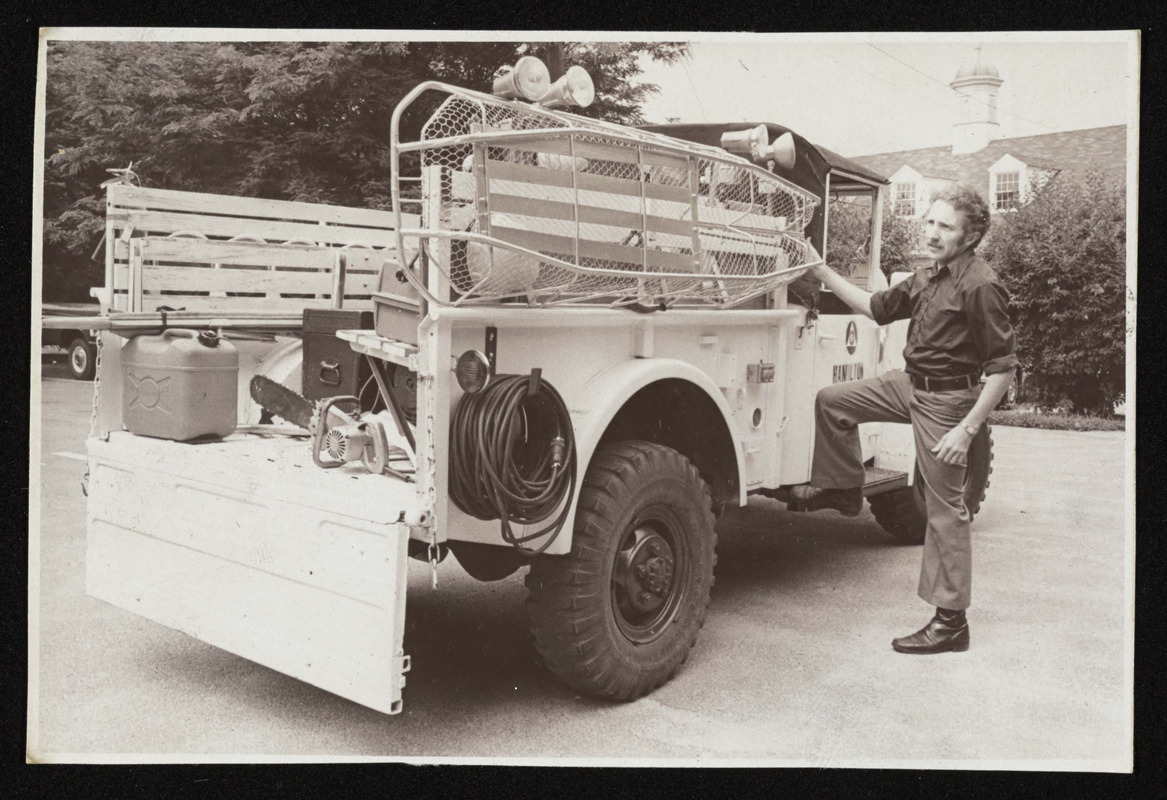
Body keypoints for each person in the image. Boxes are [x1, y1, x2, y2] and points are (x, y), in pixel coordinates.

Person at [788, 184, 1017, 655]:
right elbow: (876, 309)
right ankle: (844, 488)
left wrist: (966, 429)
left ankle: (951, 622)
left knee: (945, 511)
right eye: (930, 222)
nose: (933, 233)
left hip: (948, 402)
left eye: (945, 227)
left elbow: (1002, 369)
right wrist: (819, 269)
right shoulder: (928, 274)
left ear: (971, 236)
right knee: (833, 401)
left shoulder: (980, 285)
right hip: (909, 384)